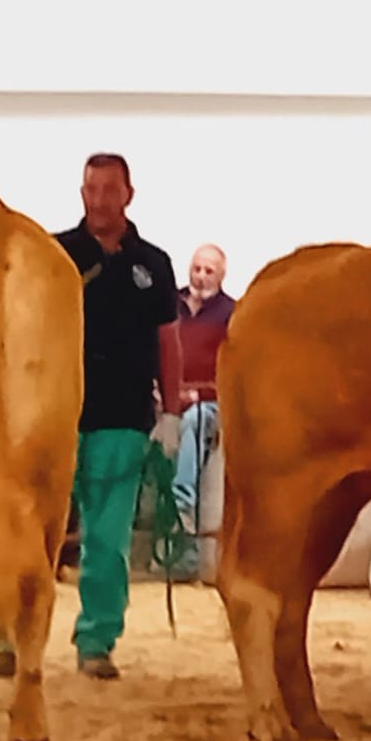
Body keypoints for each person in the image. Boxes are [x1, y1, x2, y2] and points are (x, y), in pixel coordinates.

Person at [0, 153, 180, 682]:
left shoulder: (154, 264)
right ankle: (9, 639)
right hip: (47, 418)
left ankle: (96, 641)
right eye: (91, 189)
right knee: (25, 530)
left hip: (122, 418)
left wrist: (173, 412)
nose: (99, 200)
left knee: (107, 543)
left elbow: (168, 339)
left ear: (129, 194)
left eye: (109, 190)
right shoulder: (52, 254)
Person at [171, 244, 237, 578]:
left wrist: (198, 393)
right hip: (164, 398)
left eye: (209, 271)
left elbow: (232, 375)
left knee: (194, 421)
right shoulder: (171, 304)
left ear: (221, 276)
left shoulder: (231, 314)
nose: (200, 276)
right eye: (196, 268)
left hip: (206, 402)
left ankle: (184, 533)